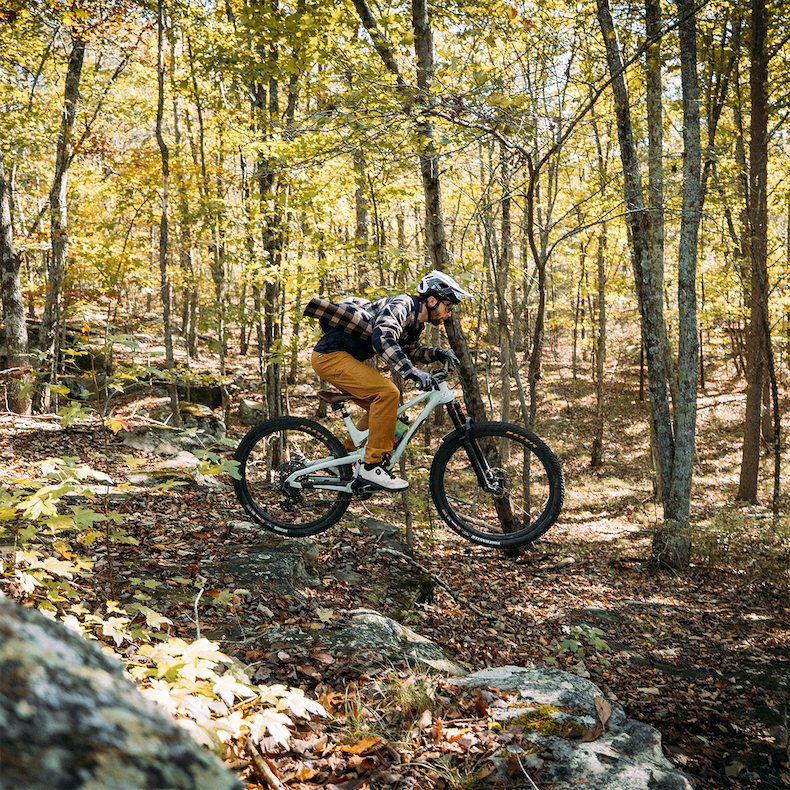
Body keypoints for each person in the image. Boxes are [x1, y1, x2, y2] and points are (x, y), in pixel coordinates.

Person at [310, 271, 471, 491]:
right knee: (388, 393)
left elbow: (412, 351)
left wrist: (438, 353)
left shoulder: (416, 323)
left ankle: (343, 459)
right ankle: (372, 465)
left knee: (385, 413)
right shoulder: (403, 304)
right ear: (432, 300)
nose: (448, 314)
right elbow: (383, 337)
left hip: (340, 358)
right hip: (330, 356)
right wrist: (413, 373)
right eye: (448, 307)